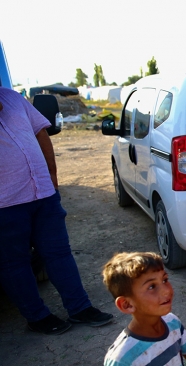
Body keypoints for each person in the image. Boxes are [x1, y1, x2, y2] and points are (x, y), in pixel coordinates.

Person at [0, 87, 113, 335]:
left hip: (43, 193)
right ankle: (37, 317)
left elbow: (40, 132)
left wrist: (51, 174)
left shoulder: (12, 97)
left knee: (59, 253)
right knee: (15, 263)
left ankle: (80, 308)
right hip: (6, 204)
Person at [102, 252, 186, 366]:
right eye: (152, 286)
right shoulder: (121, 360)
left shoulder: (171, 322)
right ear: (126, 304)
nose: (167, 290)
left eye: (165, 280)